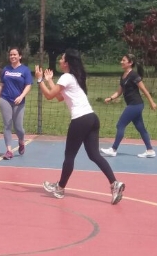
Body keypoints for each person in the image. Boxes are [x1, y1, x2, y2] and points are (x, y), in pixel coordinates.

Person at [36, 49, 125, 205]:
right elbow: (58, 97)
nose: (59, 61)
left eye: (61, 58)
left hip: (80, 120)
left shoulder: (67, 77)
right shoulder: (74, 78)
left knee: (69, 156)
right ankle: (114, 184)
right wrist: (49, 80)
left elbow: (49, 96)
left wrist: (39, 80)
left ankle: (60, 188)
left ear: (67, 63)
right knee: (94, 155)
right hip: (92, 118)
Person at [101, 54, 157, 158]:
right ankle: (150, 150)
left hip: (136, 104)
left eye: (124, 60)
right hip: (134, 105)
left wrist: (151, 102)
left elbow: (144, 90)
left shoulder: (134, 75)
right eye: (121, 60)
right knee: (141, 128)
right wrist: (111, 98)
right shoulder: (123, 76)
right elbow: (119, 92)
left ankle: (113, 149)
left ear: (130, 63)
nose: (121, 62)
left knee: (120, 125)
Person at [0, 47, 33, 160]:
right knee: (7, 125)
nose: (12, 56)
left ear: (20, 56)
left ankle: (21, 141)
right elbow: (1, 85)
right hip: (5, 99)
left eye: (15, 54)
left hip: (18, 101)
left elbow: (28, 85)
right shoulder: (6, 69)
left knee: (18, 127)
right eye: (11, 54)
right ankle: (9, 150)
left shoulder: (25, 70)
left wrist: (21, 96)